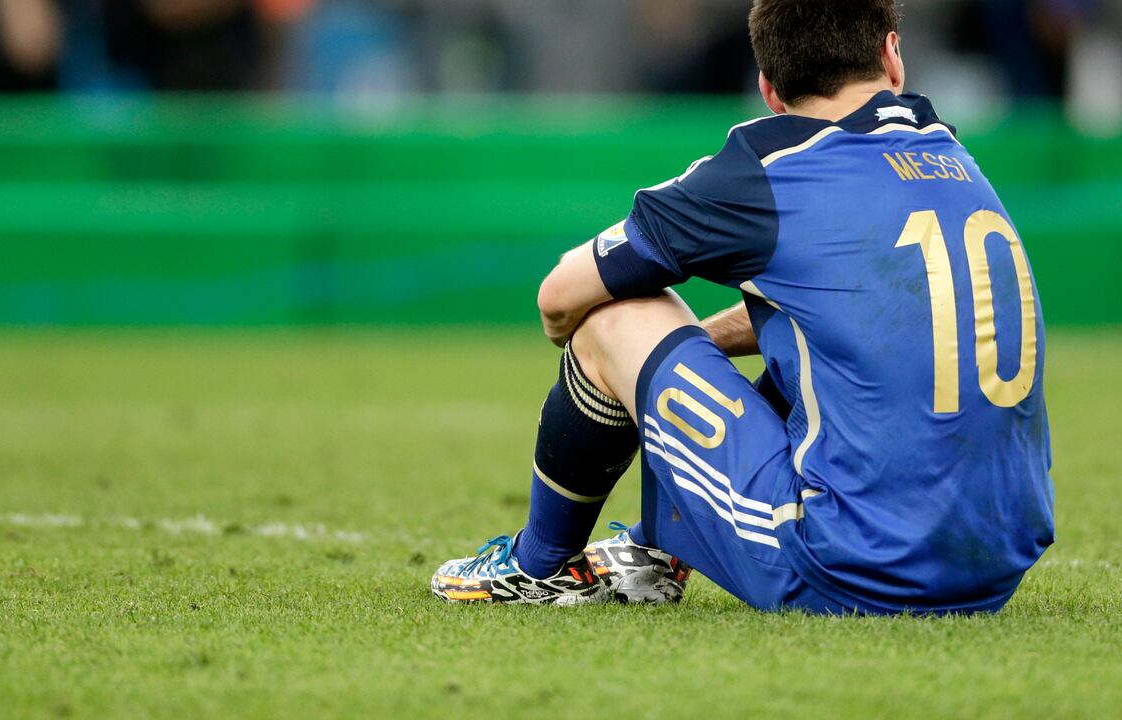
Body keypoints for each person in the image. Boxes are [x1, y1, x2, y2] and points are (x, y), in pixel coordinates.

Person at [430, 0, 1054, 614]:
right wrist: (700, 343)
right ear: (893, 57)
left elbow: (558, 300)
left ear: (768, 88)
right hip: (996, 562)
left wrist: (646, 360)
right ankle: (656, 545)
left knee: (613, 317)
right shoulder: (954, 158)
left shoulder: (770, 166)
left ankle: (538, 565)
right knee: (801, 335)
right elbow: (867, 318)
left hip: (849, 566)